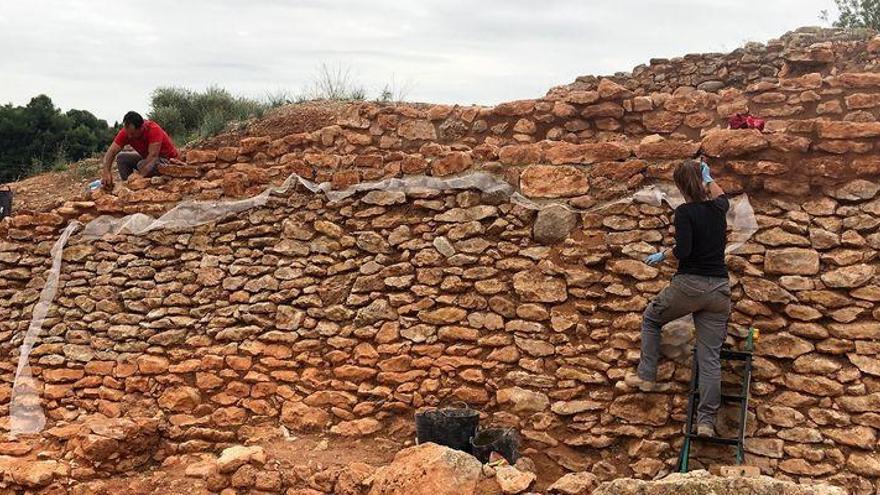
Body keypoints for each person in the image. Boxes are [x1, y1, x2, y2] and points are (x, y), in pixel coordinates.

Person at [625, 158, 730, 438]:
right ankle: (706, 421)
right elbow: (723, 197)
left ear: (681, 186)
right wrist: (708, 178)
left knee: (651, 319)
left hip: (690, 285)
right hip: (719, 289)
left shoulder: (685, 212)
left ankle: (647, 375)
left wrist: (663, 255)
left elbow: (684, 251)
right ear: (703, 181)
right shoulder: (718, 209)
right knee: (709, 358)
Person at [100, 111, 179, 190]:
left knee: (141, 165)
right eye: (128, 133)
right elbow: (111, 152)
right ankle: (128, 188)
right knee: (122, 158)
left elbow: (153, 157)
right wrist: (106, 171)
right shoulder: (126, 132)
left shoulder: (154, 129)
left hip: (168, 160)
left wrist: (139, 176)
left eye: (132, 133)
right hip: (146, 159)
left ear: (142, 127)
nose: (130, 136)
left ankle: (140, 185)